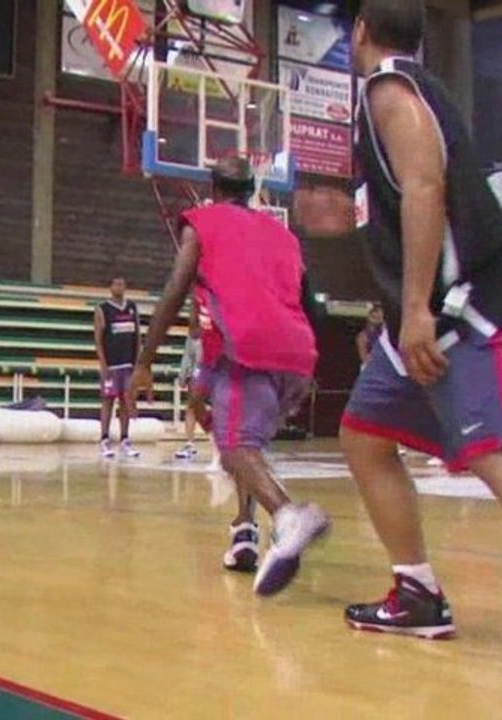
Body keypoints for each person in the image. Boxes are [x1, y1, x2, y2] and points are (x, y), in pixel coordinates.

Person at [341, 0, 502, 693]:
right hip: (426, 311)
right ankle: (418, 593)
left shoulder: (389, 89)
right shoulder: (410, 88)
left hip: (470, 308)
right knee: (365, 434)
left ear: (361, 32)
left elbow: (425, 188)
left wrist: (416, 309)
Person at [128, 157, 329, 592]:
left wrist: (144, 362)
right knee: (229, 429)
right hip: (292, 350)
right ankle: (244, 530)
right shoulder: (284, 235)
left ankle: (288, 516)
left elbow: (175, 287)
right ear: (253, 190)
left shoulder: (202, 223)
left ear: (213, 188)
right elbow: (310, 301)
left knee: (237, 447)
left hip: (248, 348)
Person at [94, 277, 141, 459]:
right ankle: (104, 439)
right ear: (110, 287)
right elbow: (98, 340)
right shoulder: (102, 309)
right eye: (115, 284)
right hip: (111, 364)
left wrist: (138, 362)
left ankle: (125, 439)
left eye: (122, 284)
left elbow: (137, 337)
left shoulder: (132, 307)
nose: (119, 287)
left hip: (128, 363)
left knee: (125, 401)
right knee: (107, 401)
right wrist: (103, 364)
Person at [174, 300, 203, 460]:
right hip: (197, 372)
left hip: (212, 372)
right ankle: (189, 443)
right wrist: (183, 375)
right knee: (191, 407)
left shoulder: (212, 330)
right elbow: (187, 355)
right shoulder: (192, 334)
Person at [355, 303, 384, 368]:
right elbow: (364, 357)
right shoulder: (363, 336)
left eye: (379, 317)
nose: (376, 317)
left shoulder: (386, 333)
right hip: (371, 368)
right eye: (374, 316)